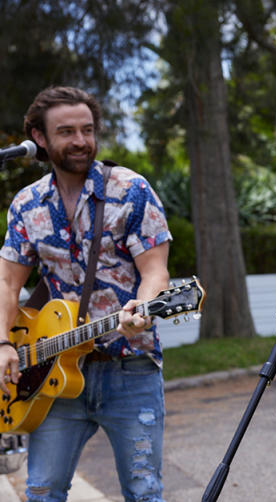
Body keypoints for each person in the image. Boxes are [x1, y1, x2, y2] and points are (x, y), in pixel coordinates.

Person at [0, 86, 171, 501]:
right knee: (42, 493)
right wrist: (3, 342)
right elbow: (7, 283)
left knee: (144, 493)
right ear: (40, 138)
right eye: (66, 131)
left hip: (130, 368)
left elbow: (155, 272)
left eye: (87, 129)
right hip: (49, 375)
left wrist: (143, 309)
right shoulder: (27, 205)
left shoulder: (131, 190)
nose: (80, 140)